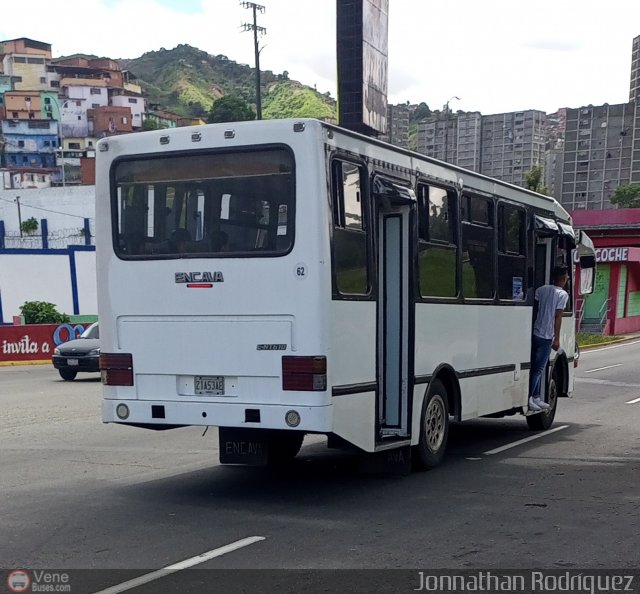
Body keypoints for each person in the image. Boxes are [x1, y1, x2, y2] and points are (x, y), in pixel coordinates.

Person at [529, 265, 569, 412]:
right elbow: (558, 317)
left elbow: (536, 306)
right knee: (538, 369)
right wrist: (556, 338)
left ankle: (537, 397)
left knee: (537, 367)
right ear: (563, 278)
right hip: (546, 335)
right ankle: (530, 398)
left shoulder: (542, 289)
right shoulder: (563, 294)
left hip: (535, 331)